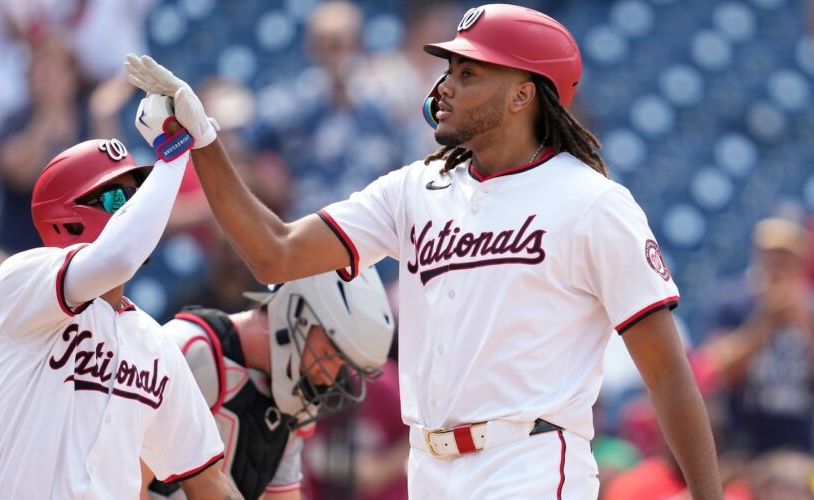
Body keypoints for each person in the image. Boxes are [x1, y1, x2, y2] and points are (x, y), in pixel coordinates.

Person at [124, 4, 722, 498]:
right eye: (450, 69)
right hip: (428, 468)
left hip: (530, 463)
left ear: (522, 95)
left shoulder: (593, 204)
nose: (446, 86)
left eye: (469, 73)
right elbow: (275, 254)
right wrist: (204, 142)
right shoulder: (417, 188)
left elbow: (668, 374)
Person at [0, 94, 241, 498]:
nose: (134, 207)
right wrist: (174, 157)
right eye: (117, 197)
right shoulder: (23, 280)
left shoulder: (156, 344)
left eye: (137, 193)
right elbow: (117, 256)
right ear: (64, 223)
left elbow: (208, 480)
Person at [142, 267, 395, 499]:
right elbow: (126, 482)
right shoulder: (190, 351)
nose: (330, 377)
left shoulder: (291, 393)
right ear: (296, 314)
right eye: (330, 354)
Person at [698, 217, 813, 454]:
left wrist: (804, 325)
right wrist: (766, 319)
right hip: (743, 440)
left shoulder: (808, 307)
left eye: (785, 255)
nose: (777, 263)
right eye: (771, 253)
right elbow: (719, 369)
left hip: (799, 439)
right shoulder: (732, 299)